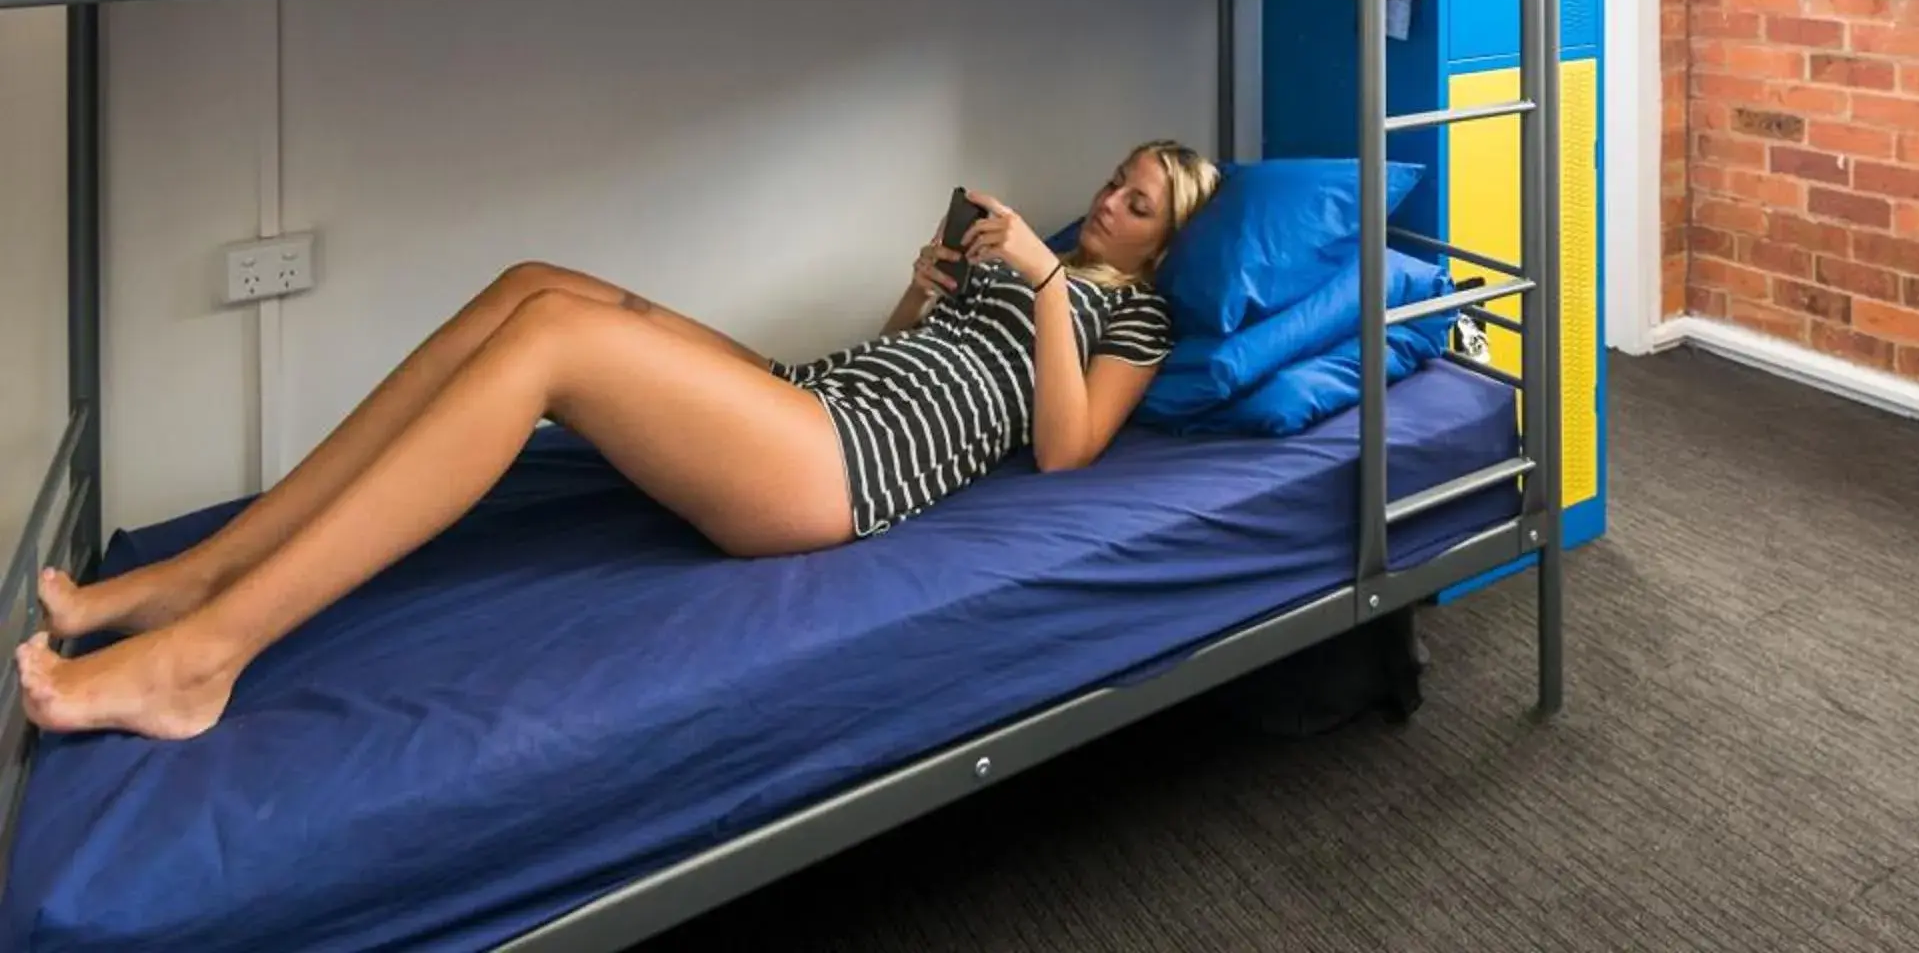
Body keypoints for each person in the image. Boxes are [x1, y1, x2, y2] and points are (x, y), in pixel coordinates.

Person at [15, 141, 1219, 742]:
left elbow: (1065, 450)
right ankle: (197, 572)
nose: (1109, 198)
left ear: (1163, 242)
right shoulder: (1032, 269)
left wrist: (1049, 276)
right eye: (1115, 180)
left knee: (551, 345)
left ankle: (203, 659)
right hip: (818, 394)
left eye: (1139, 202)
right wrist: (922, 292)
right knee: (534, 283)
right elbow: (918, 364)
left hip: (837, 468)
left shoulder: (1131, 306)